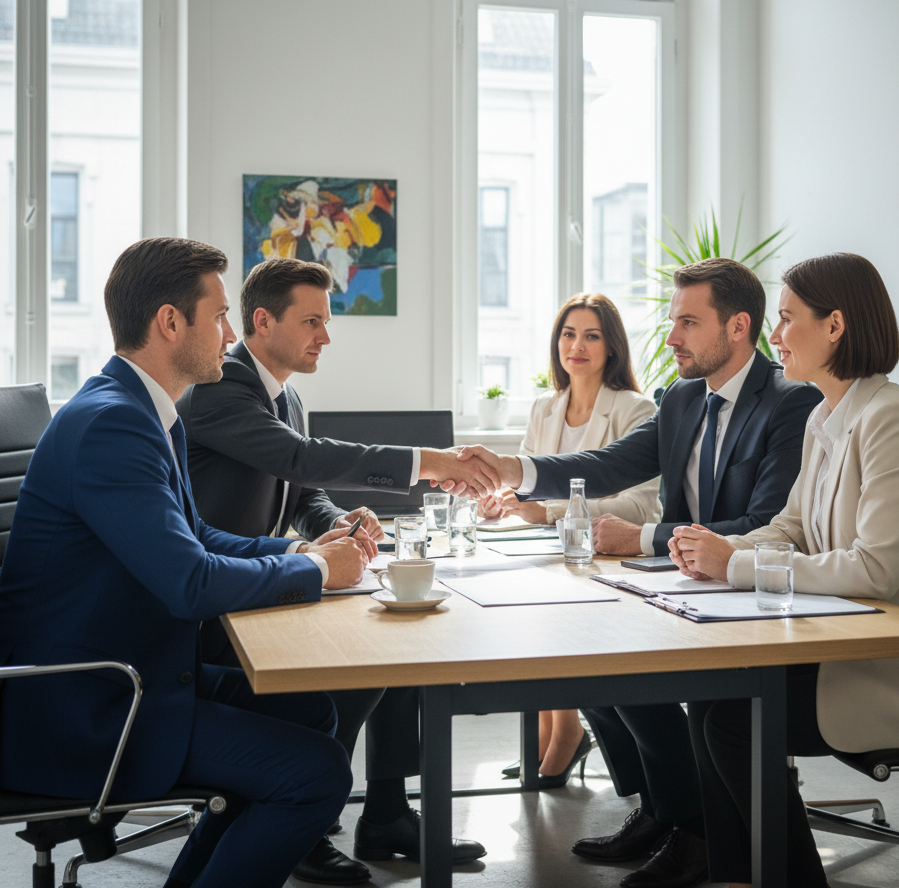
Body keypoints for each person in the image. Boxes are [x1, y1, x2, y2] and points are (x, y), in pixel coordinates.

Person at [0, 238, 379, 888]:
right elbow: (189, 581)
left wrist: (297, 549)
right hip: (86, 704)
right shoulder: (112, 425)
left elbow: (196, 535)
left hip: (133, 674)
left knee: (310, 711)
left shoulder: (150, 415)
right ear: (171, 323)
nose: (232, 333)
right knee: (316, 775)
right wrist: (318, 573)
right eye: (221, 316)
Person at [457, 257, 822, 888]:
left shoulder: (792, 402)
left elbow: (767, 524)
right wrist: (511, 470)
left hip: (751, 598)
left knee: (694, 700)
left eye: (686, 322)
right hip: (683, 585)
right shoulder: (682, 398)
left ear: (738, 328)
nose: (671, 338)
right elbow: (607, 465)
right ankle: (676, 819)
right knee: (598, 659)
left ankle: (696, 835)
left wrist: (646, 536)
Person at [673, 253, 899, 888]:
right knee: (709, 693)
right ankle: (738, 878)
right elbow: (794, 526)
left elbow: (874, 569)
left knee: (736, 718)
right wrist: (717, 546)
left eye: (787, 319)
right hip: (856, 645)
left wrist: (738, 565)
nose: (775, 336)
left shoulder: (892, 421)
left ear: (835, 327)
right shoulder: (824, 416)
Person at [177, 257, 487, 882]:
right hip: (220, 598)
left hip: (266, 579)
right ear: (261, 321)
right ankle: (306, 816)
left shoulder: (284, 393)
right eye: (313, 320)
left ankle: (387, 813)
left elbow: (299, 486)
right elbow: (300, 456)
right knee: (353, 663)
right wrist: (427, 460)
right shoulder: (218, 388)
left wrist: (339, 521)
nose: (326, 336)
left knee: (399, 637)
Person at [484, 292, 661, 787]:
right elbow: (522, 484)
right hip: (547, 553)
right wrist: (501, 501)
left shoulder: (634, 408)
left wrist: (547, 511)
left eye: (591, 335)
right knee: (521, 606)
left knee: (551, 616)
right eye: (568, 334)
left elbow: (639, 506)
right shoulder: (545, 407)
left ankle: (566, 730)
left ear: (612, 346)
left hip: (607, 558)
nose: (576, 346)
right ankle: (550, 728)